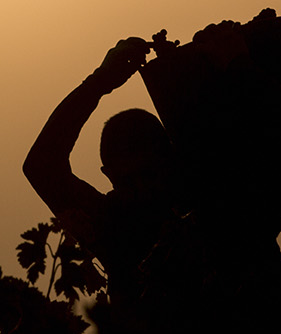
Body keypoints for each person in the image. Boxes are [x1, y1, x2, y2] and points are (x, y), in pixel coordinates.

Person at [22, 38, 186, 312]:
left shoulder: (213, 199)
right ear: (108, 176)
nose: (142, 188)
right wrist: (98, 83)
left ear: (170, 162)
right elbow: (41, 167)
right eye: (127, 181)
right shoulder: (114, 225)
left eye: (149, 174)